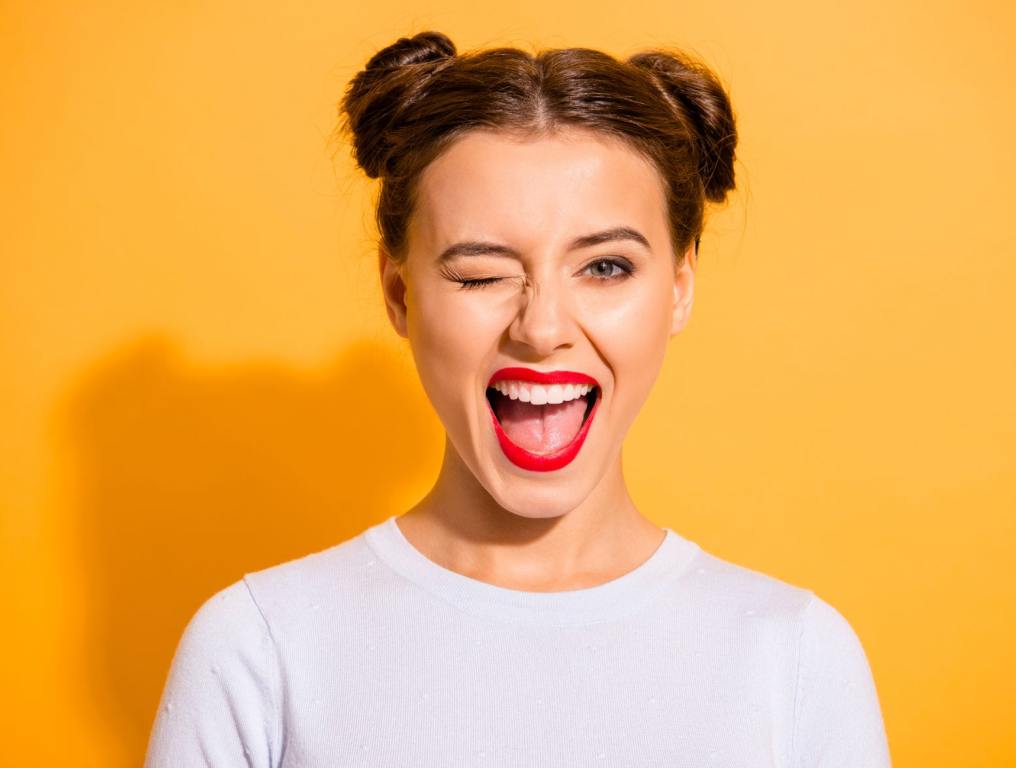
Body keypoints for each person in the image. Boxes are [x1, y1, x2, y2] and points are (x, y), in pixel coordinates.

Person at [144, 30, 891, 767]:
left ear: (679, 289)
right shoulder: (261, 648)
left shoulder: (793, 658)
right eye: (479, 274)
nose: (541, 329)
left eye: (604, 267)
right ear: (399, 294)